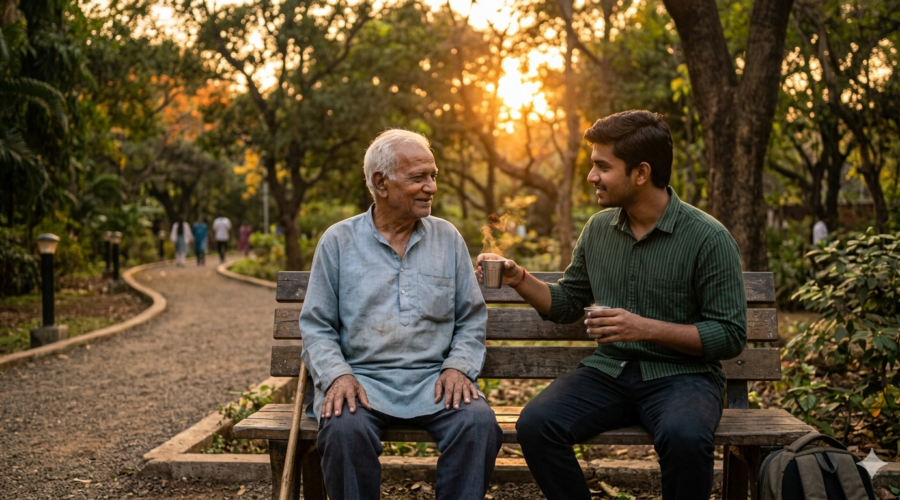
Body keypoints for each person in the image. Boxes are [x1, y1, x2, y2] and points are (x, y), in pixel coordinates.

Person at [477, 110, 747, 500]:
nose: (591, 177)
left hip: (683, 377)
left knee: (685, 438)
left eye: (603, 167)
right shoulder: (598, 229)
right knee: (536, 425)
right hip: (609, 372)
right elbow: (568, 303)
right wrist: (519, 277)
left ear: (641, 172)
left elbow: (730, 335)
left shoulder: (708, 238)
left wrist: (645, 328)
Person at [300, 129, 501, 500]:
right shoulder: (338, 242)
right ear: (381, 183)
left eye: (433, 176)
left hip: (433, 382)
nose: (431, 187)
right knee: (343, 429)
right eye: (418, 178)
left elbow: (471, 318)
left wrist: (458, 366)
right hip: (362, 381)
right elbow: (316, 326)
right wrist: (337, 376)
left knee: (477, 423)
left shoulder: (448, 238)